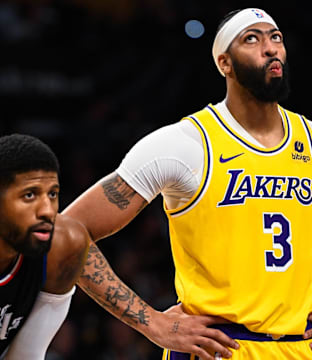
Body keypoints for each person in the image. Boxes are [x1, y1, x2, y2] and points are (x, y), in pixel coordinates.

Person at [62, 7, 312, 360]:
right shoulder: (185, 143)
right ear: (224, 63)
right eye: (251, 39)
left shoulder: (310, 139)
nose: (270, 48)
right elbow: (68, 230)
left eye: (276, 38)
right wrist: (152, 323)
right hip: (219, 348)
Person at [0, 134, 89, 359]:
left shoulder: (63, 245)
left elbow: (27, 355)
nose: (46, 210)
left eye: (52, 194)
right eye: (29, 195)